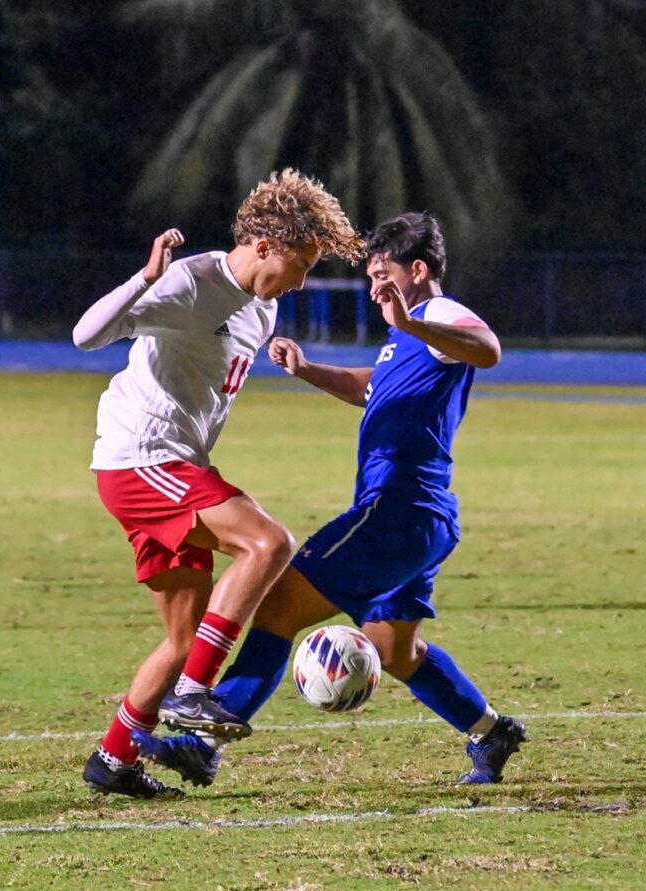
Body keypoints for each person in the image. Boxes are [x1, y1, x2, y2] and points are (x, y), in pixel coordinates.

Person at [133, 211, 528, 788]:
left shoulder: (436, 315)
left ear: (418, 270)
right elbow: (372, 388)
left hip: (394, 509)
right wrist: (309, 369)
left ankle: (201, 744)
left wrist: (413, 325)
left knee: (276, 607)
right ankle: (493, 731)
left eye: (382, 275)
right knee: (394, 650)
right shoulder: (410, 335)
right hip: (421, 516)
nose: (374, 290)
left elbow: (487, 348)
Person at [73, 169, 365, 798]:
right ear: (265, 245)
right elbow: (86, 335)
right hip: (140, 458)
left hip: (173, 464)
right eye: (302, 262)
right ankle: (195, 693)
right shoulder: (190, 283)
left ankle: (114, 760)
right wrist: (145, 279)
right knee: (268, 543)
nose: (303, 279)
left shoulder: (263, 308)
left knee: (184, 635)